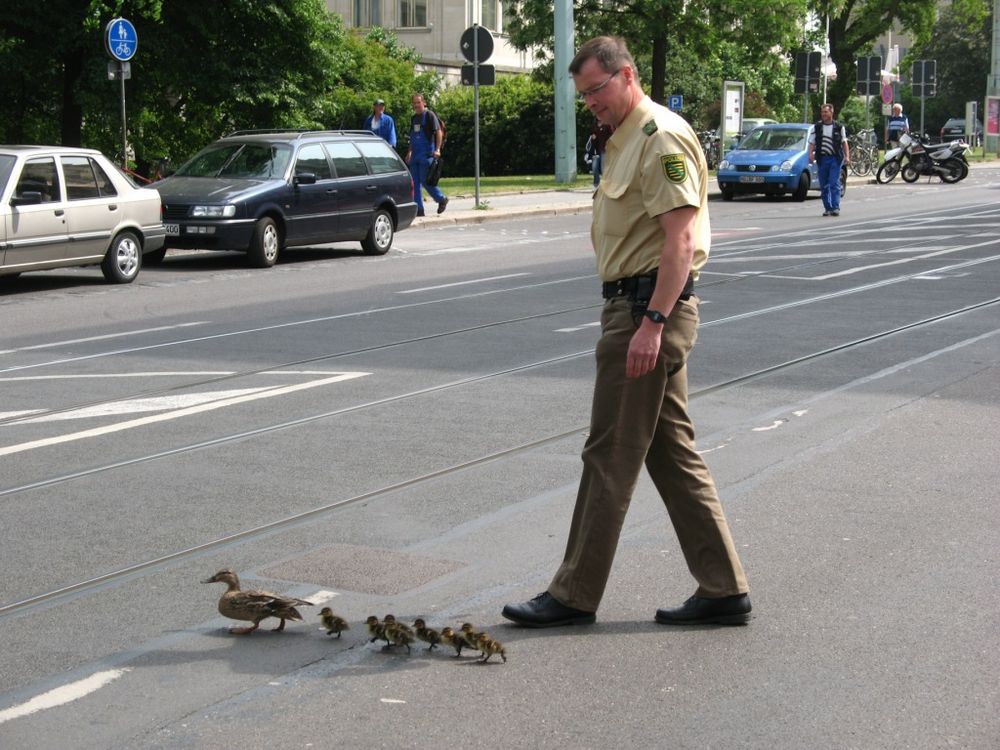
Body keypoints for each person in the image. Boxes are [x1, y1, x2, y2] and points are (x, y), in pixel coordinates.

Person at [501, 36, 751, 629]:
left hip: (646, 313)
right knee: (670, 453)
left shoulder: (657, 136)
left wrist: (653, 324)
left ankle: (573, 593)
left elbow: (679, 241)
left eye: (597, 90)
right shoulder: (622, 141)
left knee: (609, 453)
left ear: (627, 76)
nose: (591, 103)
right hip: (636, 308)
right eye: (583, 95)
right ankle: (723, 588)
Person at [405, 93, 448, 217]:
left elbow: (438, 132)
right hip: (415, 155)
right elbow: (412, 137)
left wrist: (438, 149)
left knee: (426, 181)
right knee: (414, 183)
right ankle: (419, 210)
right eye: (414, 103)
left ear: (424, 103)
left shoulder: (429, 115)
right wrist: (409, 152)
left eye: (418, 102)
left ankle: (441, 199)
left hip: (426, 154)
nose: (416, 105)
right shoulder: (414, 118)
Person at [807, 103, 850, 217]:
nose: (823, 114)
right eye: (822, 112)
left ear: (831, 112)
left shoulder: (839, 127)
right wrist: (810, 154)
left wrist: (847, 156)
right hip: (822, 159)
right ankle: (828, 208)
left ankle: (835, 207)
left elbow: (844, 142)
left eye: (826, 112)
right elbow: (812, 142)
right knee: (824, 184)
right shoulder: (817, 127)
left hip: (835, 159)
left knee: (833, 183)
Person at [590, 118, 613, 187]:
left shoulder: (607, 124)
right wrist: (593, 138)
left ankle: (604, 185)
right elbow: (592, 137)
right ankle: (596, 183)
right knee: (594, 168)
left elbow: (611, 135)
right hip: (596, 151)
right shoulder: (594, 125)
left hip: (604, 149)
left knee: (603, 168)